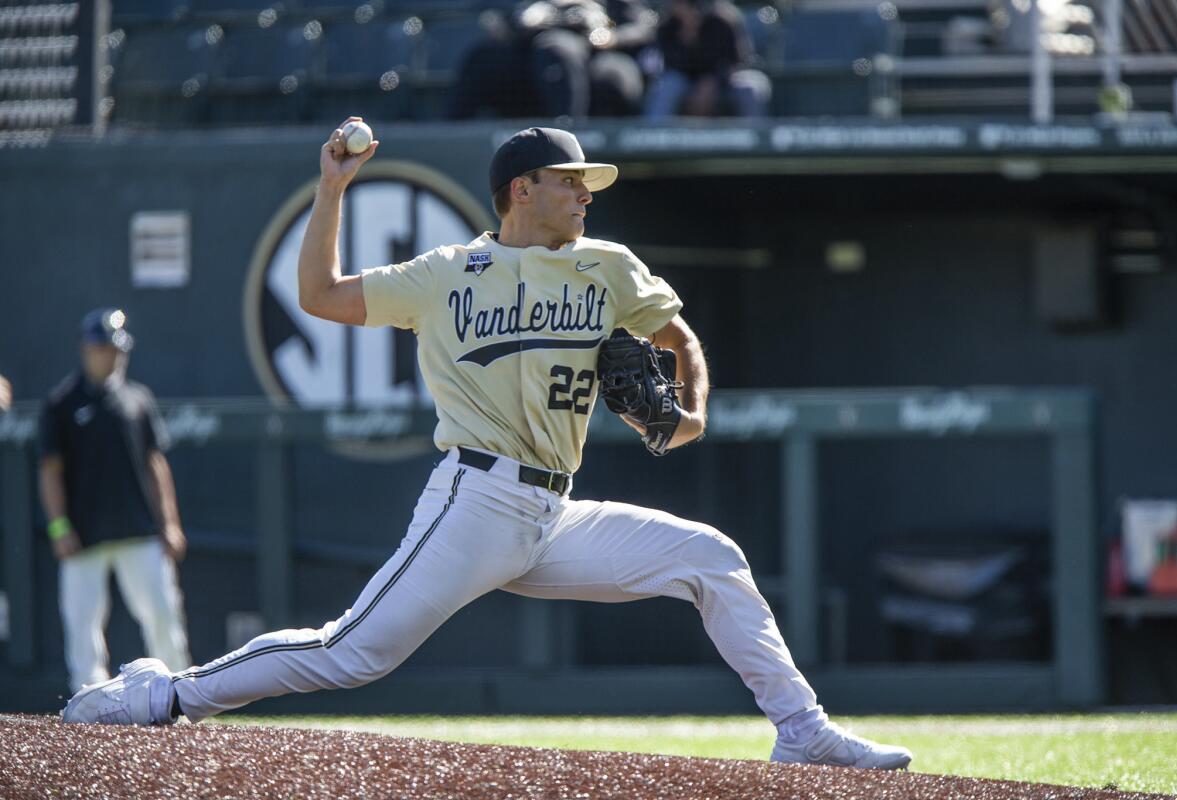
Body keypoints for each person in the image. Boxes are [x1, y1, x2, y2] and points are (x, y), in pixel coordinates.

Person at [61, 124, 911, 770]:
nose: (585, 194)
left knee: (711, 559)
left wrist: (691, 409)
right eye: (569, 181)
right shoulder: (445, 274)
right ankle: (164, 693)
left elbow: (679, 337)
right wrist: (332, 189)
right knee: (352, 652)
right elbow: (319, 293)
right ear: (520, 190)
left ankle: (801, 730)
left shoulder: (605, 265)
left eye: (587, 183)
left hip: (553, 511)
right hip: (476, 499)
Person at [40, 308, 191, 693]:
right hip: (84, 537)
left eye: (117, 349)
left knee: (162, 617)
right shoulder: (61, 404)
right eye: (104, 348)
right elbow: (50, 471)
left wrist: (170, 522)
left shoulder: (138, 399)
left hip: (139, 533)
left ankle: (179, 697)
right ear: (86, 349)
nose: (112, 356)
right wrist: (59, 528)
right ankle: (87, 705)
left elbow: (156, 464)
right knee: (82, 628)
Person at [449, 0, 654, 120]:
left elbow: (643, 25)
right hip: (528, 50)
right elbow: (502, 17)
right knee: (482, 58)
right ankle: (450, 138)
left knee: (558, 50)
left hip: (590, 51)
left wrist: (612, 37)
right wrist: (516, 21)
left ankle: (570, 134)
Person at [643, 0, 771, 119]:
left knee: (752, 87)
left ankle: (755, 140)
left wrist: (713, 80)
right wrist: (689, 37)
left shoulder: (724, 19)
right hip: (685, 82)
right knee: (667, 85)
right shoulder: (668, 25)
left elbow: (738, 60)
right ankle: (653, 138)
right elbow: (669, 64)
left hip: (723, 82)